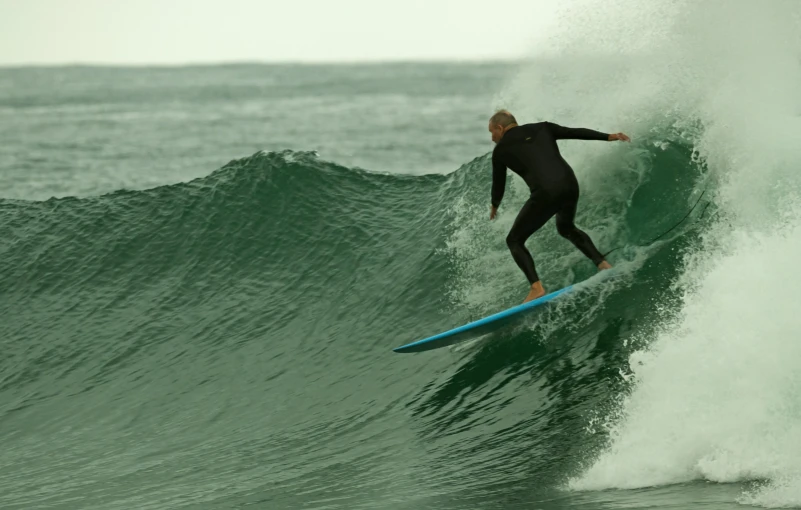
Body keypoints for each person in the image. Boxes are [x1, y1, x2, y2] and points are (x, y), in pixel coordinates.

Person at [488, 110, 630, 303]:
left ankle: (536, 287)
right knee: (566, 228)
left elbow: (499, 182)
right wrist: (609, 136)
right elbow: (575, 132)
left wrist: (495, 205)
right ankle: (603, 264)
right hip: (570, 184)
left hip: (546, 192)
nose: (492, 138)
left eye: (492, 133)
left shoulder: (501, 150)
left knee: (514, 240)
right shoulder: (543, 127)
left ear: (500, 127)